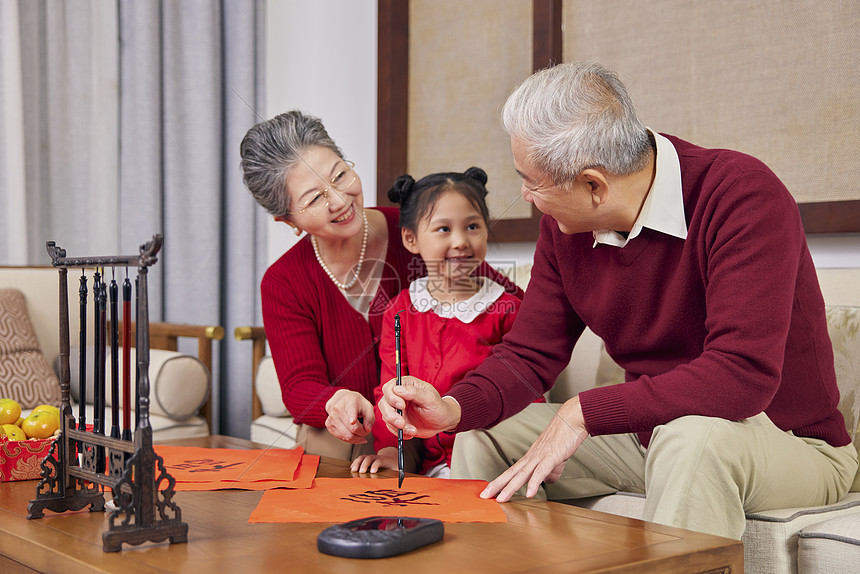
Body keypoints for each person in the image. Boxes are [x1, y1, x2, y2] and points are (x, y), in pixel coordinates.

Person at [376, 62, 859, 539]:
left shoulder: (742, 196)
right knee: (488, 431)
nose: (524, 195)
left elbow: (741, 374)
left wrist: (583, 411)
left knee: (693, 437)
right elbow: (529, 353)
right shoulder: (567, 227)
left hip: (788, 444)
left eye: (533, 182)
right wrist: (454, 407)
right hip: (647, 438)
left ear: (593, 185)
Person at [239, 111, 522, 459]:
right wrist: (337, 401)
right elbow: (299, 387)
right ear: (288, 220)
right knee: (330, 445)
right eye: (313, 198)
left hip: (433, 417)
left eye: (340, 175)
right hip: (358, 425)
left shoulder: (420, 230)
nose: (340, 200)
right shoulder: (285, 281)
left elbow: (503, 300)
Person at [350, 168, 523, 477]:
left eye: (473, 226)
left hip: (488, 455)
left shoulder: (507, 308)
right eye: (444, 229)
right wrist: (392, 449)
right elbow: (391, 388)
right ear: (411, 239)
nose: (461, 241)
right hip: (424, 456)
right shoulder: (400, 310)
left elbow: (523, 392)